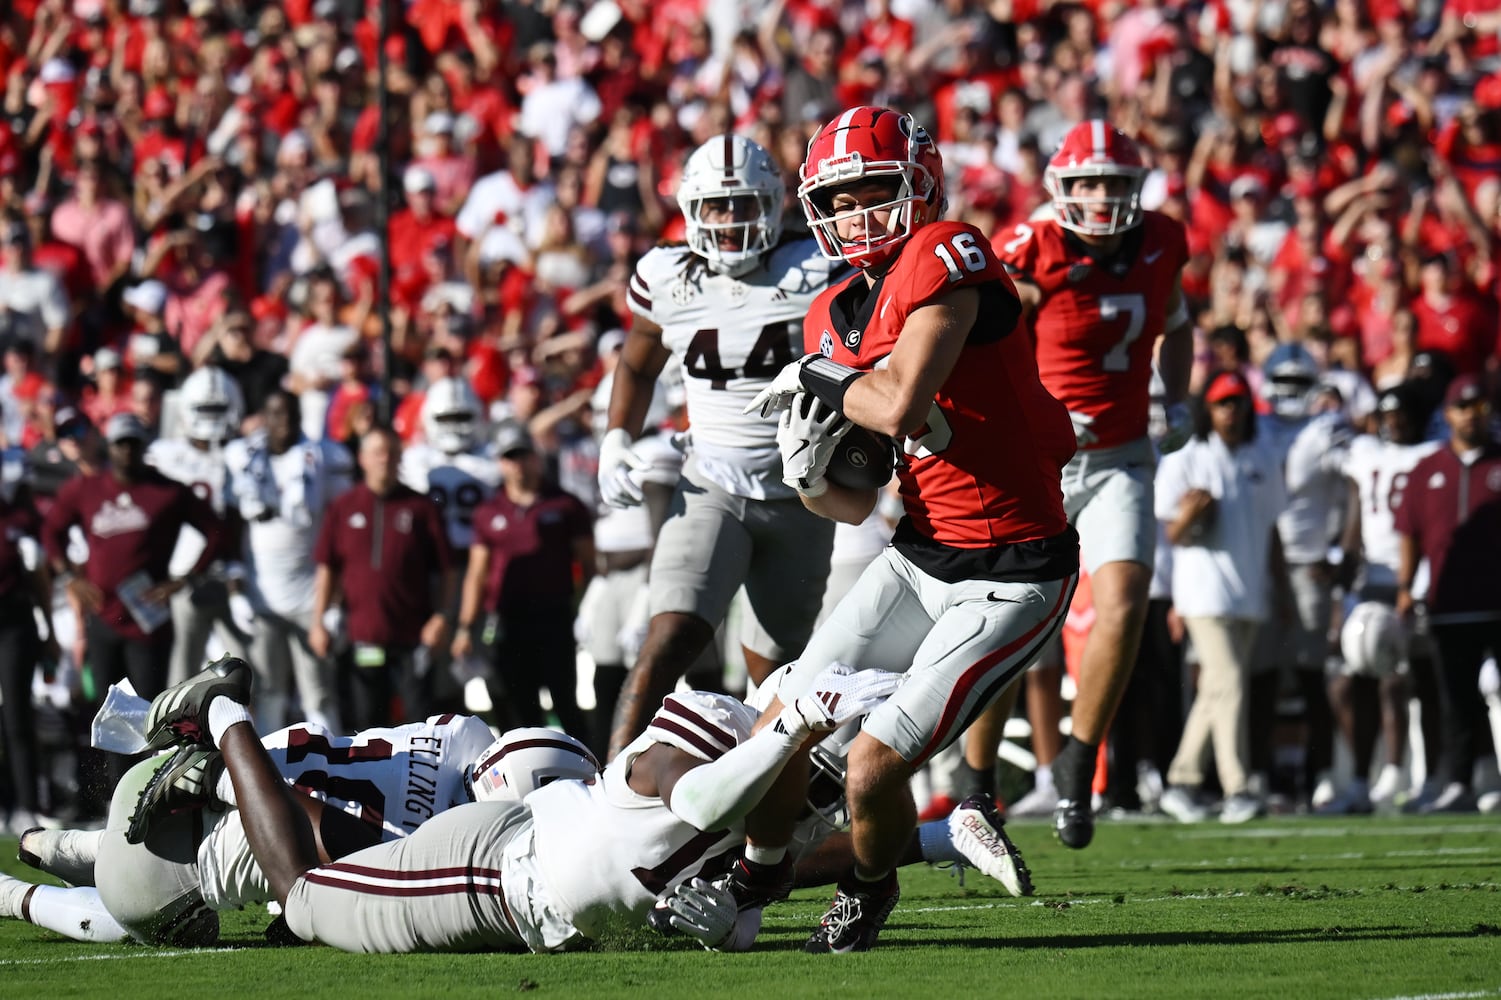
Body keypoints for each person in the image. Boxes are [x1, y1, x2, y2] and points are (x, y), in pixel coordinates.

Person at [744, 106, 1078, 953]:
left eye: (872, 192)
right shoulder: (830, 311)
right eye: (840, 198)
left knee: (871, 765)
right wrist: (810, 475)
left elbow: (898, 402)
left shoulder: (946, 252)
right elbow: (851, 505)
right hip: (920, 552)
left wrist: (814, 378)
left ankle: (867, 884)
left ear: (919, 185)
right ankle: (755, 872)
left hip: (1013, 567)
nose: (856, 214)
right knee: (778, 731)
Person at [135, 653, 901, 952]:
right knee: (300, 897)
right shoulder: (718, 724)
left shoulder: (768, 779)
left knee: (315, 896)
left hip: (522, 892)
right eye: (814, 755)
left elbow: (732, 897)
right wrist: (795, 724)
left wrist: (735, 910)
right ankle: (224, 715)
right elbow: (700, 797)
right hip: (493, 870)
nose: (818, 784)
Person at [598, 133, 847, 757]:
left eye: (744, 206)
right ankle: (609, 796)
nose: (731, 221)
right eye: (717, 206)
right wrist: (616, 437)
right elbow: (636, 362)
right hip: (711, 484)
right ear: (691, 210)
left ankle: (761, 822)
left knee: (778, 679)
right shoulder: (667, 277)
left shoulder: (814, 265)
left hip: (803, 495)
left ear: (774, 205)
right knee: (670, 636)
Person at [991, 120, 1193, 845]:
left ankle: (1079, 760)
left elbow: (1176, 321)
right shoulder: (1030, 248)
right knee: (1005, 620)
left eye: (1114, 182)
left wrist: (1180, 395)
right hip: (1039, 460)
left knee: (1125, 601)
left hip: (1120, 455)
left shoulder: (1164, 239)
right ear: (1060, 190)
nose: (1102, 197)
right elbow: (989, 341)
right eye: (1087, 183)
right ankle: (977, 782)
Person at [4, 694, 587, 945]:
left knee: (131, 853)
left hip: (191, 769)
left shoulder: (465, 733)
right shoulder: (433, 839)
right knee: (152, 915)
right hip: (168, 871)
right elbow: (310, 859)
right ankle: (14, 897)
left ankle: (49, 844)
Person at [1154, 371, 1289, 824]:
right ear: (1207, 409)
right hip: (1203, 593)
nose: (1231, 409)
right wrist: (1190, 514)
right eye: (1222, 402)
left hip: (1248, 591)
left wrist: (1280, 587)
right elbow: (1171, 532)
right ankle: (1238, 788)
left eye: (1237, 401)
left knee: (1217, 691)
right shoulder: (1188, 457)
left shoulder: (1261, 456)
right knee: (1230, 683)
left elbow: (1273, 529)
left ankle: (1181, 781)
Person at [1325, 383, 1441, 812]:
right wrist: (1341, 583)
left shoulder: (1431, 456)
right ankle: (1361, 777)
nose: (1394, 423)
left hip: (1415, 578)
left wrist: (1419, 585)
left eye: (1401, 415)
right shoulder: (1366, 453)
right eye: (1387, 415)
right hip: (1370, 578)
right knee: (1350, 679)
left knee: (1407, 679)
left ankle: (1406, 774)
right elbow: (1356, 517)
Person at [1393, 374, 1501, 813]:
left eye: (1478, 407)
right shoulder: (1427, 468)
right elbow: (1409, 534)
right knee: (1455, 699)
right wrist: (1405, 586)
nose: (1470, 416)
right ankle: (1459, 781)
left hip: (1498, 601)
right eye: (1462, 407)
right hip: (1448, 602)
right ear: (1447, 414)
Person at [452, 422, 594, 738]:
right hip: (509, 620)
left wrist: (585, 610)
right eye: (509, 458)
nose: (517, 465)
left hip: (554, 615)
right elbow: (477, 573)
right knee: (520, 708)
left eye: (522, 455)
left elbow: (589, 564)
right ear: (501, 462)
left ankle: (585, 773)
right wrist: (465, 626)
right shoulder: (489, 512)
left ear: (535, 457)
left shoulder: (565, 504)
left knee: (565, 702)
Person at [225, 389, 353, 731]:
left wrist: (335, 603)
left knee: (319, 696)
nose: (286, 423)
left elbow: (339, 534)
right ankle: (270, 771)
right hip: (261, 597)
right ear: (265, 418)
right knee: (268, 693)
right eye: (278, 414)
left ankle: (333, 773)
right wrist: (235, 590)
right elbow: (231, 531)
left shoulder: (322, 458)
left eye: (292, 414)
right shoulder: (242, 458)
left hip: (310, 597)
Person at [309, 426, 453, 729]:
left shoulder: (421, 508)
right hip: (363, 635)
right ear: (362, 458)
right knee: (366, 725)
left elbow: (446, 570)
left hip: (414, 637)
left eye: (391, 452)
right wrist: (318, 621)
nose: (384, 459)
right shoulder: (343, 507)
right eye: (377, 452)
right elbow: (327, 569)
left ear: (400, 457)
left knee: (421, 724)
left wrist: (441, 617)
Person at [144, 366, 251, 689]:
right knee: (183, 673)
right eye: (205, 409)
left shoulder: (240, 453)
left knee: (242, 672)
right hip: (183, 577)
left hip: (232, 576)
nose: (211, 418)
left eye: (217, 409)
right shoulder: (165, 455)